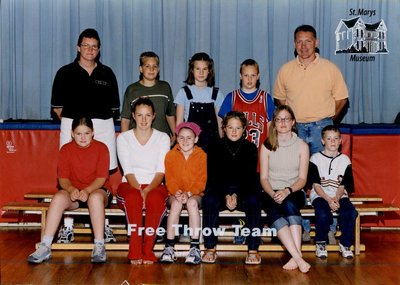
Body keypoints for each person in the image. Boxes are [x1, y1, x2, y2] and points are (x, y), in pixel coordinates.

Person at [273, 24, 349, 241]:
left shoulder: (329, 68)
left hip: (320, 128)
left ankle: (331, 228)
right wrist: (291, 121)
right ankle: (302, 227)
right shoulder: (286, 69)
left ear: (316, 42)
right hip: (295, 131)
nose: (304, 46)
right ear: (294, 44)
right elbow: (279, 98)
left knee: (327, 178)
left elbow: (342, 97)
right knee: (296, 179)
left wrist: (326, 121)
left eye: (308, 41)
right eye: (299, 41)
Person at [50, 28, 119, 244]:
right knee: (70, 175)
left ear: (99, 50)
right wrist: (77, 128)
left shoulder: (107, 73)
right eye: (86, 45)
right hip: (74, 125)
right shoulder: (64, 72)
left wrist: (95, 128)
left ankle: (104, 225)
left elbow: (115, 108)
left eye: (94, 46)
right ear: (78, 47)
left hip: (103, 126)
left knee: (102, 177)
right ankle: (68, 226)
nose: (90, 50)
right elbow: (58, 108)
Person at [27, 117, 113, 264]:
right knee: (58, 198)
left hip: (97, 190)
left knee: (95, 198)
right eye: (79, 134)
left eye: (86, 133)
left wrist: (87, 190)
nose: (83, 137)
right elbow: (63, 179)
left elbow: (101, 178)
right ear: (72, 133)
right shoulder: (66, 150)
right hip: (75, 191)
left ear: (93, 133)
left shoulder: (102, 148)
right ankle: (45, 246)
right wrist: (71, 189)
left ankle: (99, 245)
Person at [202, 111, 262, 265]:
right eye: (230, 127)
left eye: (238, 128)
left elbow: (249, 177)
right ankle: (210, 247)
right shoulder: (214, 146)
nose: (234, 131)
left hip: (243, 190)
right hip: (219, 189)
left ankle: (253, 249)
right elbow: (213, 176)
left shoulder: (250, 148)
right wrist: (226, 195)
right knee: (209, 200)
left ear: (244, 130)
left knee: (254, 200)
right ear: (224, 128)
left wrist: (235, 194)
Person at [116, 97, 170, 265]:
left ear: (154, 116)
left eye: (148, 115)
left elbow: (161, 172)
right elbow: (128, 171)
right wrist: (140, 191)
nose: (144, 120)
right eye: (140, 115)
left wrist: (147, 191)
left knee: (155, 199)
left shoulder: (163, 138)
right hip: (130, 185)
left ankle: (148, 251)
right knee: (133, 198)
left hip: (155, 185)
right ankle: (135, 250)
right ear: (133, 116)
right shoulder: (123, 138)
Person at [259, 105, 311, 273]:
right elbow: (264, 178)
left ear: (293, 122)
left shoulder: (302, 146)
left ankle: (296, 256)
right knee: (274, 210)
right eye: (278, 119)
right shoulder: (267, 145)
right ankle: (298, 258)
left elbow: (303, 179)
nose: (282, 123)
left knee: (289, 205)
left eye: (286, 119)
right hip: (271, 191)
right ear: (274, 123)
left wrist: (288, 190)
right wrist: (274, 193)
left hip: (294, 191)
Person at [160, 122, 207, 265]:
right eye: (181, 138)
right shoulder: (170, 155)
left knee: (192, 204)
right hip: (176, 193)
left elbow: (202, 180)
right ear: (176, 138)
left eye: (189, 138)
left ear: (196, 139)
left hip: (195, 194)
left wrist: (190, 193)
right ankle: (169, 246)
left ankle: (194, 247)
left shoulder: (201, 155)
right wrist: (178, 192)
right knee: (175, 204)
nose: (185, 141)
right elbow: (170, 179)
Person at [308, 125, 357, 259]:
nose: (333, 142)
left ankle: (345, 244)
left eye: (336, 138)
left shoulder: (345, 160)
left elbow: (342, 186)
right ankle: (321, 243)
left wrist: (336, 198)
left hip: (339, 195)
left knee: (350, 212)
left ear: (341, 141)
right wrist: (329, 200)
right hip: (320, 195)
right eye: (329, 139)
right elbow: (316, 185)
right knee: (322, 213)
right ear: (323, 141)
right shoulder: (315, 159)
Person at [218, 58, 275, 153]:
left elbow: (271, 127)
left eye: (253, 75)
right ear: (240, 76)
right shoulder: (231, 98)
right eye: (246, 75)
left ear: (258, 76)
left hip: (260, 152)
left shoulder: (266, 98)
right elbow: (223, 125)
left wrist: (269, 150)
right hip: (236, 152)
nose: (249, 79)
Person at [120, 51, 176, 144]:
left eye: (155, 66)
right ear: (141, 69)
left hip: (161, 140)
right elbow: (125, 119)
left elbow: (170, 114)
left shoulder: (165, 87)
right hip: (138, 140)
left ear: (158, 69)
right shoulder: (132, 90)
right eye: (147, 66)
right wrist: (125, 140)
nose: (151, 69)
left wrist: (175, 134)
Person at [174, 52, 224, 152]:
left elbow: (220, 123)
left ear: (209, 71)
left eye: (204, 69)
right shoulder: (183, 92)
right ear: (192, 70)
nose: (201, 73)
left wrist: (223, 143)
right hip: (190, 145)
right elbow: (179, 123)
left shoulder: (216, 93)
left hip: (212, 145)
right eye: (198, 69)